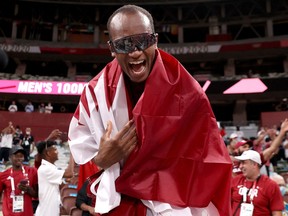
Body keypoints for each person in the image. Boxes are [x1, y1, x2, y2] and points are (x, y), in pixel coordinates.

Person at [68, 4, 232, 216]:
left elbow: (210, 159)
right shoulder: (95, 94)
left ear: (155, 39)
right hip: (120, 199)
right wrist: (101, 159)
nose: (135, 51)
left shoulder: (189, 93)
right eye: (125, 44)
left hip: (172, 201)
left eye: (143, 41)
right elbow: (82, 150)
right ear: (111, 48)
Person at [231, 150, 284, 216]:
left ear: (255, 164)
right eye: (240, 163)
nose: (240, 166)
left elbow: (277, 212)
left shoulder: (270, 185)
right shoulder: (235, 181)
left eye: (244, 163)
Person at [35, 140, 74, 216]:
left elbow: (60, 186)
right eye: (55, 150)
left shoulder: (52, 168)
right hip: (46, 213)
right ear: (48, 153)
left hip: (52, 211)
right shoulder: (45, 169)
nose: (57, 152)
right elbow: (69, 173)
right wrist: (72, 151)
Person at [0, 145, 38, 216]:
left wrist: (28, 189)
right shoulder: (3, 175)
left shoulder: (32, 172)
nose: (19, 158)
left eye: (21, 156)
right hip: (9, 213)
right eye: (16, 156)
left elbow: (36, 195)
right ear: (10, 158)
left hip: (26, 213)